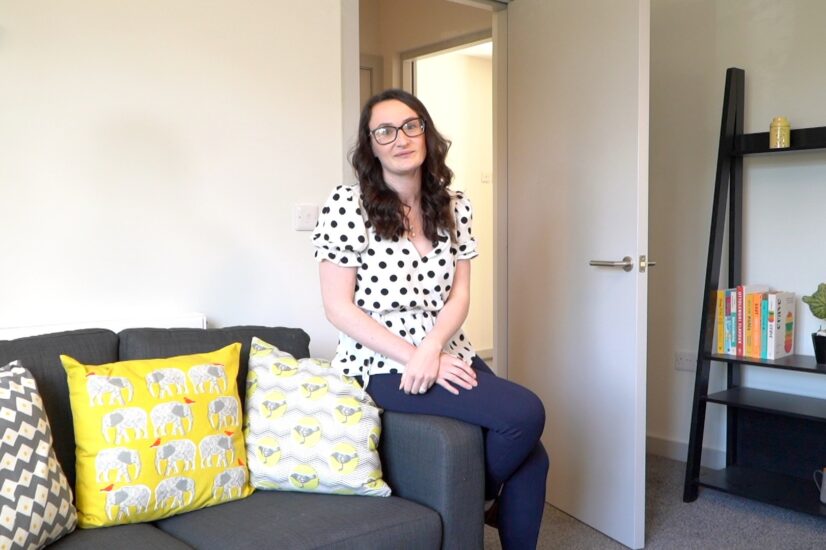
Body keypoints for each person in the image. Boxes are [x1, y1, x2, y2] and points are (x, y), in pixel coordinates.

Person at [313, 88, 548, 549]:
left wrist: (434, 350)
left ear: (426, 131)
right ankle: (480, 500)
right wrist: (415, 357)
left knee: (534, 459)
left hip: (444, 348)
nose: (400, 138)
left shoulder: (454, 204)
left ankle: (474, 495)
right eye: (385, 130)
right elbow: (338, 308)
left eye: (410, 125)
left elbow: (460, 294)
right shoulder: (347, 204)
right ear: (370, 145)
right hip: (379, 361)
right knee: (525, 412)